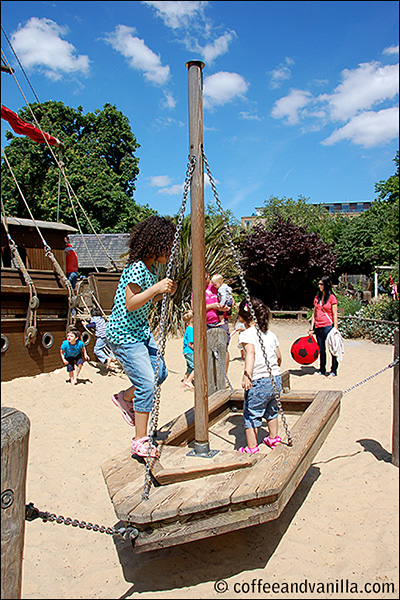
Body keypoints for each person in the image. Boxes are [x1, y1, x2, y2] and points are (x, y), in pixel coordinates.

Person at [106, 215, 177, 459]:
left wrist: (161, 293)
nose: (171, 252)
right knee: (147, 383)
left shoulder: (149, 268)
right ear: (156, 245)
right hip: (125, 335)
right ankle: (140, 440)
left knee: (161, 373)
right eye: (168, 246)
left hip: (140, 332)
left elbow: (144, 300)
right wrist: (156, 288)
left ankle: (124, 398)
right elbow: (131, 302)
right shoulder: (137, 267)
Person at [237, 297, 282, 454]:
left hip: (259, 380)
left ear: (243, 316)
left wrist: (247, 375)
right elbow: (278, 357)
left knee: (251, 415)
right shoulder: (271, 334)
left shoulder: (246, 334)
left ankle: (251, 447)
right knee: (272, 409)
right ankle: (273, 438)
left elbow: (251, 353)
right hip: (275, 378)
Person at [309, 275, 339, 378]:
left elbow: (335, 314)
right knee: (321, 349)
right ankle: (322, 369)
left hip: (328, 326)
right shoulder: (317, 298)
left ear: (326, 285)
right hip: (318, 326)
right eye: (319, 284)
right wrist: (311, 328)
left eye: (321, 284)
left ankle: (333, 370)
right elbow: (314, 313)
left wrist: (335, 327)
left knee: (332, 349)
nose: (319, 286)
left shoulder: (332, 298)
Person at [205, 272, 231, 372]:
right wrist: (212, 306)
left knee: (223, 348)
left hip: (220, 322)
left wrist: (227, 308)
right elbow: (196, 309)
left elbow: (230, 300)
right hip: (207, 323)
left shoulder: (219, 287)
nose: (205, 281)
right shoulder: (198, 290)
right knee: (208, 350)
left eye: (206, 278)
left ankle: (224, 375)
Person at [182, 310, 194, 389]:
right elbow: (190, 343)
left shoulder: (188, 328)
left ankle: (184, 381)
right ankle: (188, 381)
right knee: (196, 367)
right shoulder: (190, 329)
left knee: (189, 368)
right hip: (190, 352)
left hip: (186, 351)